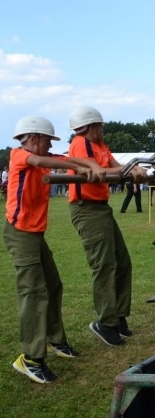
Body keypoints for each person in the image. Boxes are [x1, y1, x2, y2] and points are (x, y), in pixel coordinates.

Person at [4, 116, 105, 383]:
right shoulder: (19, 156)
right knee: (34, 292)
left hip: (35, 235)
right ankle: (30, 358)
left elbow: (62, 161)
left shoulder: (41, 158)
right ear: (34, 137)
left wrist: (91, 165)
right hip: (20, 233)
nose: (50, 145)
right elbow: (45, 161)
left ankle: (54, 340)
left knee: (53, 285)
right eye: (48, 140)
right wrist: (85, 162)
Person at [67, 106, 148, 347]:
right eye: (101, 125)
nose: (103, 129)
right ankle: (106, 322)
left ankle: (119, 316)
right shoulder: (80, 143)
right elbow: (100, 171)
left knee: (122, 262)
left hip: (101, 208)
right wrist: (130, 169)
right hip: (87, 209)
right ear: (92, 126)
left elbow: (115, 165)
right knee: (105, 265)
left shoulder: (101, 146)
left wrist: (131, 169)